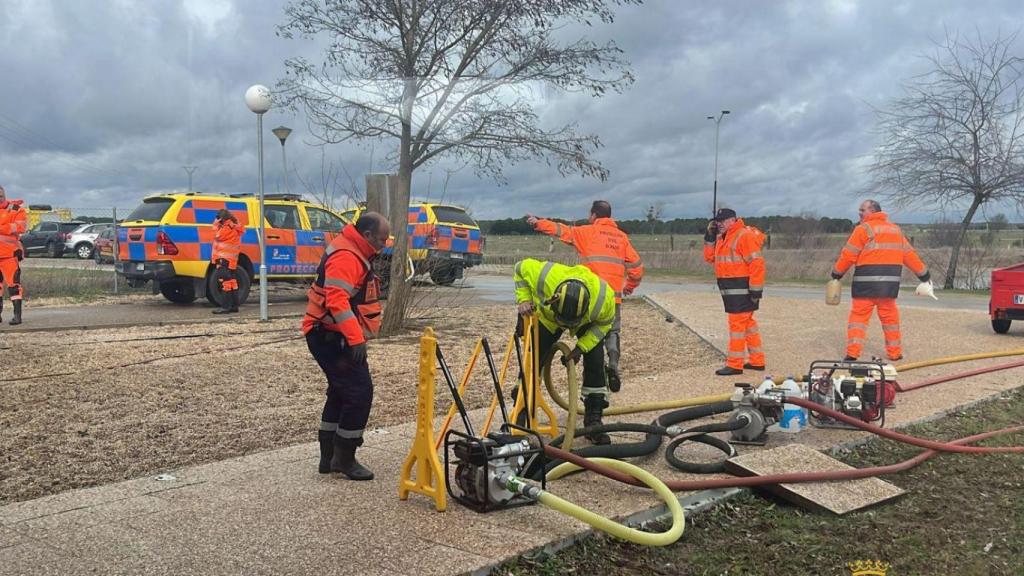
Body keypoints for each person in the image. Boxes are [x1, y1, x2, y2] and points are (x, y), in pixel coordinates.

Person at [303, 212, 390, 480]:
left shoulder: (353, 249)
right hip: (332, 336)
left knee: (340, 393)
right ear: (367, 235)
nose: (384, 244)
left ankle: (328, 457)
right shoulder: (347, 256)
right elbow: (337, 300)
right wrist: (355, 338)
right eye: (382, 239)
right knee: (359, 393)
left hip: (328, 333)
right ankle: (344, 458)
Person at [525, 200, 643, 393]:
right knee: (611, 332)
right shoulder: (622, 238)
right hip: (611, 299)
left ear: (593, 215)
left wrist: (538, 223)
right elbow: (637, 268)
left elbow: (561, 230)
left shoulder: (587, 232)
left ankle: (533, 381)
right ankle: (613, 364)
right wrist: (629, 286)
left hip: (587, 297)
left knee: (582, 334)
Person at [514, 258, 617, 444]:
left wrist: (581, 347)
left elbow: (603, 326)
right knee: (533, 358)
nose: (566, 326)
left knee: (595, 359)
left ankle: (593, 420)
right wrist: (524, 300)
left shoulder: (603, 299)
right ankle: (522, 410)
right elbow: (519, 268)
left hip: (585, 322)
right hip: (548, 318)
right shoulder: (544, 276)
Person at [831, 199, 931, 362]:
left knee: (858, 320)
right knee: (890, 320)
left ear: (873, 211)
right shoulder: (895, 230)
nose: (859, 213)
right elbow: (909, 255)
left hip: (865, 286)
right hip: (888, 286)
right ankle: (895, 353)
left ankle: (852, 354)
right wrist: (924, 275)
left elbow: (848, 255)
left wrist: (837, 273)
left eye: (862, 210)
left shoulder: (863, 229)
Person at [703, 208, 766, 376]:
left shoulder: (744, 235)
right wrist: (709, 237)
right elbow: (710, 258)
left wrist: (755, 291)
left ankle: (735, 364)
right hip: (733, 290)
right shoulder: (723, 237)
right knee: (748, 326)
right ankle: (757, 360)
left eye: (723, 221)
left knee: (737, 327)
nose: (719, 224)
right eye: (718, 221)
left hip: (742, 290)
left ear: (733, 220)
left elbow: (757, 263)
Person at [0, 185, 27, 325]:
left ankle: (17, 316)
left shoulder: (16, 209)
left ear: (4, 195)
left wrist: (2, 227)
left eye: (0, 196)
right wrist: (6, 227)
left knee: (14, 286)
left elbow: (21, 227)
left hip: (9, 255)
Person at [211, 208, 245, 314]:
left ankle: (225, 307)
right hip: (231, 259)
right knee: (232, 282)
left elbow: (217, 236)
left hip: (224, 259)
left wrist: (216, 224)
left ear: (222, 218)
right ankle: (234, 306)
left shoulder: (226, 227)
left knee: (225, 282)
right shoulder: (233, 226)